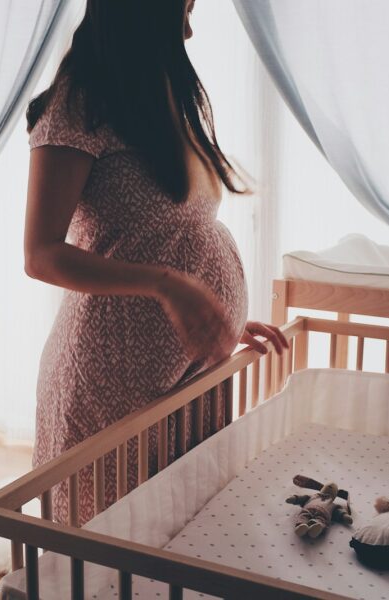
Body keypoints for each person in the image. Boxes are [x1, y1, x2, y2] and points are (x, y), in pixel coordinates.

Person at [24, 0, 287, 524]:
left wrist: (215, 322)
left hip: (182, 379)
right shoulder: (79, 102)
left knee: (174, 529)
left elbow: (170, 233)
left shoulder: (162, 97)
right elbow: (40, 253)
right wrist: (170, 287)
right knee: (113, 545)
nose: (190, 27)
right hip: (109, 383)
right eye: (183, 9)